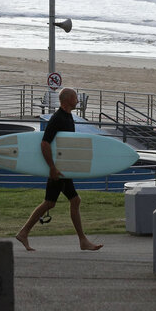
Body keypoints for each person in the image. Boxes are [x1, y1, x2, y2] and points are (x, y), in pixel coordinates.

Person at [15, 87, 103, 252]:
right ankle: (25, 232)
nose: (77, 100)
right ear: (68, 99)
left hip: (62, 167)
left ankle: (24, 232)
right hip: (58, 169)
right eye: (75, 97)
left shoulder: (68, 116)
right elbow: (45, 143)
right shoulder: (58, 118)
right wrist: (52, 168)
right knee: (57, 202)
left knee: (61, 202)